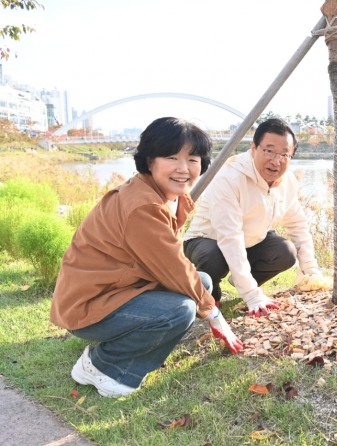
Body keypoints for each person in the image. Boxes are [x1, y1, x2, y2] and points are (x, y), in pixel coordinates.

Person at [51, 117, 244, 398]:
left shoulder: (160, 194)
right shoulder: (143, 206)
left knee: (201, 281)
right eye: (171, 157)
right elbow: (174, 267)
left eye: (193, 159)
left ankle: (119, 353)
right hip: (88, 307)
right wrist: (214, 315)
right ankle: (102, 364)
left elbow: (170, 262)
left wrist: (206, 301)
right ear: (149, 160)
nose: (183, 168)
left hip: (114, 290)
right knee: (180, 309)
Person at [183, 118, 329, 317]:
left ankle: (242, 281)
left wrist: (311, 271)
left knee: (285, 251)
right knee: (214, 258)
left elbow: (297, 225)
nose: (276, 161)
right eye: (269, 151)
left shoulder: (287, 181)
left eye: (284, 154)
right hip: (207, 239)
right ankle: (212, 293)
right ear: (253, 148)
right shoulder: (229, 177)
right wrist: (252, 295)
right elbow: (229, 236)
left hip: (251, 240)